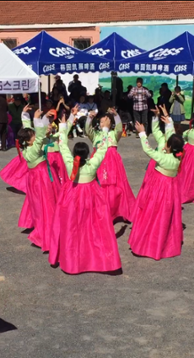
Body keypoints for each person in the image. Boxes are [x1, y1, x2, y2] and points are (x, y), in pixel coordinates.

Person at [48, 114, 121, 274]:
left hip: (72, 196)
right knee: (93, 226)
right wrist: (106, 128)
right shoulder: (93, 163)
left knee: (73, 227)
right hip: (91, 196)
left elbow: (62, 145)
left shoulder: (69, 162)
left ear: (75, 154)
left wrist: (62, 127)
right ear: (88, 154)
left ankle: (72, 259)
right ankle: (95, 256)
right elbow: (103, 147)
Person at [128, 106, 184, 260]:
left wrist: (142, 134)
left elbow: (148, 151)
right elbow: (171, 135)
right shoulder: (177, 157)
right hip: (170, 188)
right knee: (165, 213)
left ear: (170, 146)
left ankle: (147, 239)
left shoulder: (164, 158)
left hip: (159, 186)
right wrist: (168, 120)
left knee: (152, 211)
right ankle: (164, 237)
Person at [84, 107, 135, 223]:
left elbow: (119, 129)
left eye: (106, 121)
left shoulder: (113, 134)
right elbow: (88, 130)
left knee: (117, 186)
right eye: (101, 121)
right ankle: (101, 211)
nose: (104, 122)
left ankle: (118, 210)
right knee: (100, 185)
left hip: (113, 163)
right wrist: (89, 118)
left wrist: (116, 115)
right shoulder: (95, 135)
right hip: (99, 162)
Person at [17, 109, 57, 251]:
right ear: (29, 140)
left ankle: (42, 231)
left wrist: (25, 116)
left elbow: (31, 133)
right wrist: (36, 119)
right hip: (42, 178)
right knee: (47, 205)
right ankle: (49, 234)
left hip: (33, 180)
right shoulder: (34, 148)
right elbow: (39, 137)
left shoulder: (25, 149)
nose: (35, 135)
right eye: (32, 135)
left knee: (38, 208)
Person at [0, 105, 32, 195]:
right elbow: (27, 127)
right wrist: (25, 114)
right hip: (29, 155)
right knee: (23, 172)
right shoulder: (32, 133)